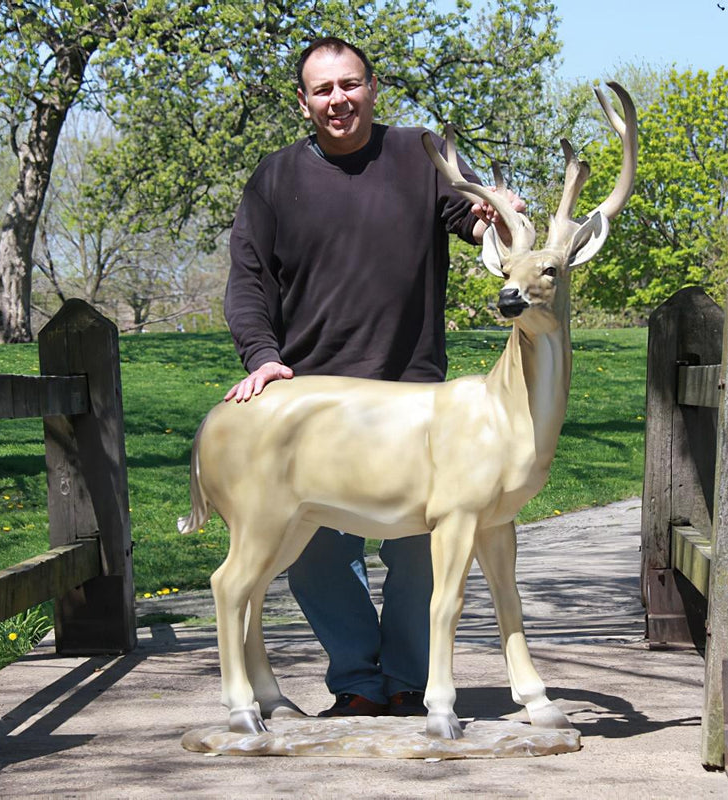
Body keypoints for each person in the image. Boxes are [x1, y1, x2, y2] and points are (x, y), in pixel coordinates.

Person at [223, 36, 522, 718]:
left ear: (373, 86)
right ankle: (358, 678)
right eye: (323, 90)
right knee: (318, 552)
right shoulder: (272, 179)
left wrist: (498, 216)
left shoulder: (423, 157)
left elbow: (477, 228)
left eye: (350, 84)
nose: (339, 100)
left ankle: (412, 680)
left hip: (413, 395)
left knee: (422, 549)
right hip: (316, 402)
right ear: (303, 102)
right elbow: (246, 283)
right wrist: (262, 357)